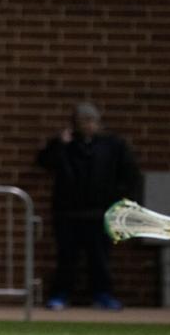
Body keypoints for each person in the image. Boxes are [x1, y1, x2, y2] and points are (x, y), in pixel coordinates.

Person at [36, 102, 142, 311]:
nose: (88, 125)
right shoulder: (67, 145)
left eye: (92, 120)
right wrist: (60, 144)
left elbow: (130, 175)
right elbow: (45, 162)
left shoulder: (112, 145)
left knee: (100, 258)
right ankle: (61, 294)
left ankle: (103, 294)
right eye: (83, 120)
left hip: (100, 211)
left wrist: (119, 200)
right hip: (68, 212)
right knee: (67, 258)